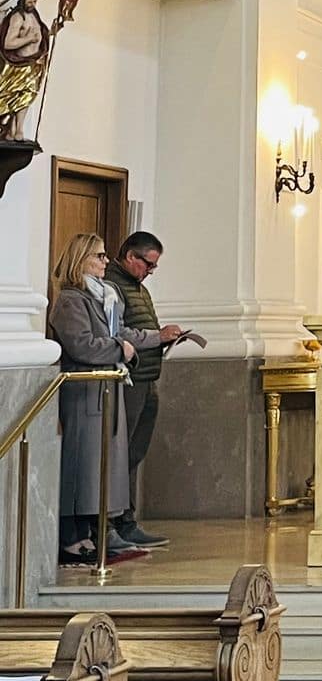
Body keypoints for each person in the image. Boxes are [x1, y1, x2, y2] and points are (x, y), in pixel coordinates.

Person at [49, 233, 172, 564]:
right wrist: (121, 349)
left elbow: (120, 332)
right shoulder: (71, 300)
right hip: (85, 393)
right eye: (99, 256)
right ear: (81, 260)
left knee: (101, 466)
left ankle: (95, 530)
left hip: (106, 389)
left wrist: (152, 338)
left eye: (104, 256)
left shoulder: (102, 295)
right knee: (82, 466)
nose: (105, 261)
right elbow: (82, 345)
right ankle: (72, 536)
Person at [104, 231, 182, 548]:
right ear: (130, 256)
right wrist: (157, 337)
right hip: (129, 380)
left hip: (147, 377)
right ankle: (111, 523)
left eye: (154, 266)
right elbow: (118, 332)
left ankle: (127, 520)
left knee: (134, 453)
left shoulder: (138, 288)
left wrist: (163, 339)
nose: (150, 271)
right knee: (120, 454)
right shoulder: (112, 286)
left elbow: (143, 331)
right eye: (148, 264)